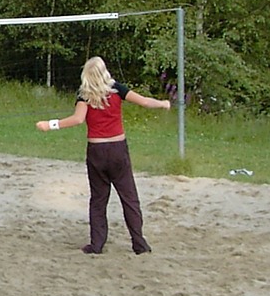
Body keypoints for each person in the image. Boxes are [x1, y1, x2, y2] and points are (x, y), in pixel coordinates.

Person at [36, 56, 170, 256]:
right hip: (117, 149)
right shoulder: (117, 89)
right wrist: (162, 103)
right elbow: (143, 101)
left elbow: (77, 119)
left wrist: (50, 124)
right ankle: (139, 243)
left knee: (98, 199)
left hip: (97, 151)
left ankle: (96, 244)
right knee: (129, 198)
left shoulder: (85, 96)